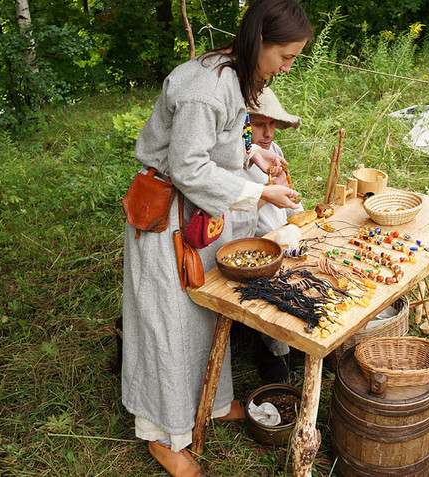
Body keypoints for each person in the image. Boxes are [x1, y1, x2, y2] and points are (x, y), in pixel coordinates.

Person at [120, 1, 312, 476]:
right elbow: (187, 165)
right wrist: (259, 191)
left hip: (201, 214)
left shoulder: (232, 74)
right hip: (168, 218)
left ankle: (213, 401)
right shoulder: (205, 87)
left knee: (205, 312)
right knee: (168, 324)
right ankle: (163, 435)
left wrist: (254, 159)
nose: (286, 67)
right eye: (285, 56)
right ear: (259, 41)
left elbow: (223, 142)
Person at [229, 87, 303, 383]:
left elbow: (291, 206)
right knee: (273, 277)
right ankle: (274, 351)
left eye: (273, 125)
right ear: (243, 124)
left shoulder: (274, 152)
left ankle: (298, 335)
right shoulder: (232, 162)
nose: (268, 133)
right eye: (260, 124)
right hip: (247, 247)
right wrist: (265, 196)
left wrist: (291, 202)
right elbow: (231, 229)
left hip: (280, 236)